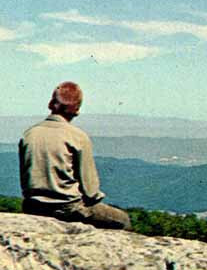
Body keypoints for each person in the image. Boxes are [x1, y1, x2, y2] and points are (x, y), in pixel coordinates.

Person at [18, 82, 132, 230]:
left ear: (51, 104)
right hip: (68, 209)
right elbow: (91, 192)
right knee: (123, 220)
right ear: (76, 110)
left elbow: (25, 179)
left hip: (33, 207)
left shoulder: (29, 134)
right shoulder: (77, 137)